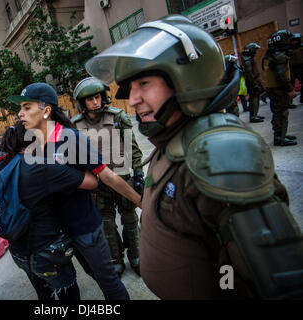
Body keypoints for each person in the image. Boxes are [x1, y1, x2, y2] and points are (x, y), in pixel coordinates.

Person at [85, 14, 303, 299]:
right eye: (131, 89)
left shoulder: (220, 153)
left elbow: (278, 282)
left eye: (144, 84)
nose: (133, 99)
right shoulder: (176, 136)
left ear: (185, 80)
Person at [10, 82, 142, 300]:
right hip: (55, 234)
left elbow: (105, 175)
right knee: (80, 279)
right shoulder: (30, 141)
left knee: (105, 278)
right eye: (21, 108)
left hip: (84, 228)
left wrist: (140, 201)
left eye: (26, 107)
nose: (20, 113)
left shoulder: (70, 138)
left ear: (45, 111)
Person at [0, 121, 100, 300]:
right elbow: (92, 181)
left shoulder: (0, 164)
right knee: (68, 293)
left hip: (19, 251)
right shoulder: (38, 165)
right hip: (47, 251)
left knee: (44, 294)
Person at [71, 77, 143, 276]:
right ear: (82, 103)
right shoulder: (75, 126)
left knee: (129, 218)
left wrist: (138, 174)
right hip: (97, 183)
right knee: (106, 224)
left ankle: (137, 256)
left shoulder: (118, 117)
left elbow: (133, 149)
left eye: (97, 97)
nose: (95, 102)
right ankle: (115, 258)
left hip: (123, 176)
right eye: (89, 99)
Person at [262, 29, 301, 146]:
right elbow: (280, 74)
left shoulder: (270, 55)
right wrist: (290, 89)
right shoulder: (279, 56)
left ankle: (280, 135)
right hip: (279, 89)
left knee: (277, 113)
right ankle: (280, 138)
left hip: (272, 88)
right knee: (282, 113)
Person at [241, 43, 265, 123]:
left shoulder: (249, 58)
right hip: (252, 81)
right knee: (254, 99)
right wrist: (254, 83)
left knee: (256, 98)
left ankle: (255, 114)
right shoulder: (247, 60)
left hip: (254, 80)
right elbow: (249, 74)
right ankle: (253, 116)